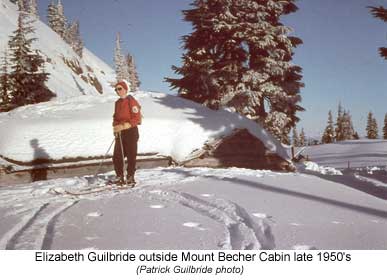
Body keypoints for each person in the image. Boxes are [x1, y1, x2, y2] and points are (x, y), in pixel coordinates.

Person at [112, 80, 141, 186]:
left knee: (131, 155)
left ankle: (130, 176)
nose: (118, 91)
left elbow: (137, 118)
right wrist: (115, 127)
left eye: (119, 89)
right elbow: (115, 117)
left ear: (125, 89)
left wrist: (125, 125)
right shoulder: (117, 103)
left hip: (131, 131)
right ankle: (119, 176)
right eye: (116, 89)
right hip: (121, 132)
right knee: (117, 156)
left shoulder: (131, 101)